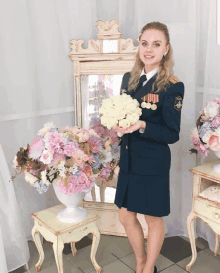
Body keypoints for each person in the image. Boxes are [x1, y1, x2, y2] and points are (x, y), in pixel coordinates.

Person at [113, 21, 184, 273]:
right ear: (139, 46)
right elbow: (121, 114)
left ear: (166, 49)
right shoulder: (128, 79)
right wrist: (116, 127)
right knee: (125, 216)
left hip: (152, 162)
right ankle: (141, 260)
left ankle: (148, 268)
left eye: (156, 44)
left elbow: (172, 133)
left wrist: (141, 124)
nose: (149, 49)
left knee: (152, 219)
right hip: (129, 159)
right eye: (144, 43)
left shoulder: (172, 86)